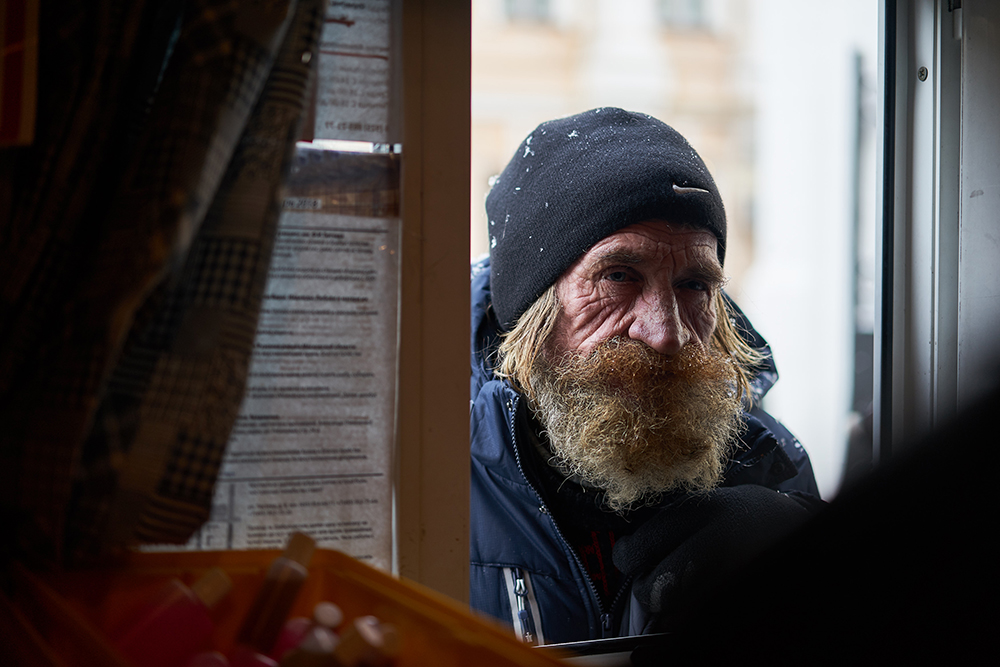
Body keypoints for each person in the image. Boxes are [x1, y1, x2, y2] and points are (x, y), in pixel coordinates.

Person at [469, 108, 822, 644]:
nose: (666, 333)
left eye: (694, 284)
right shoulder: (428, 473)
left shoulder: (766, 466)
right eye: (618, 276)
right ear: (531, 311)